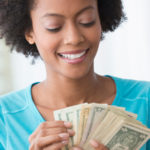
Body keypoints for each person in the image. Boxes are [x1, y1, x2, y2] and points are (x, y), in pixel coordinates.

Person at [0, 0, 149, 149]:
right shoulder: (4, 117)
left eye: (87, 21)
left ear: (101, 20)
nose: (74, 38)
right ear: (29, 32)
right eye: (54, 27)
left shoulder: (145, 100)